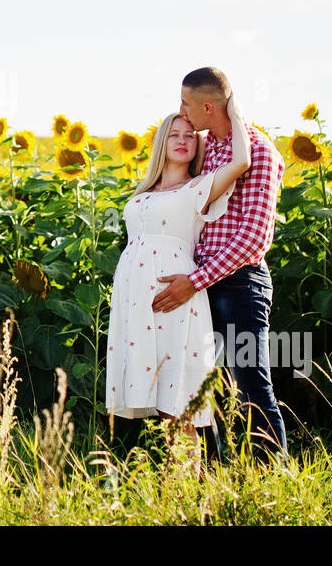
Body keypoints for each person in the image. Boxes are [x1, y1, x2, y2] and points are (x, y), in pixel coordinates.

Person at [153, 66, 289, 464]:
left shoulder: (260, 151)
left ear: (208, 106)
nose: (181, 110)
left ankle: (271, 485)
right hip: (199, 284)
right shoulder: (206, 147)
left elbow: (254, 239)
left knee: (250, 386)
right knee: (203, 388)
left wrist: (195, 281)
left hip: (240, 286)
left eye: (185, 103)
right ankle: (214, 480)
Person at [105, 106, 250, 472]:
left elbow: (242, 161)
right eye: (175, 134)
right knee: (156, 393)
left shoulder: (199, 186)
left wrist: (231, 110)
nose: (183, 141)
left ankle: (187, 492)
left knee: (179, 397)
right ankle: (173, 489)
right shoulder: (143, 191)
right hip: (137, 300)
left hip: (177, 298)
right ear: (161, 142)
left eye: (190, 135)